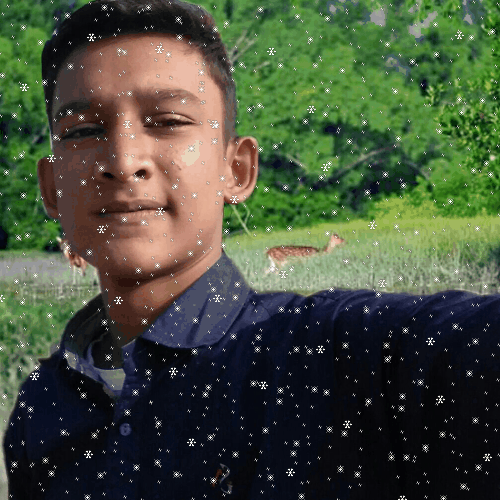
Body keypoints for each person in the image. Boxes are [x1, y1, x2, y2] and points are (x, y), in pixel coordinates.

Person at [3, 1, 499, 498]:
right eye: (83, 131)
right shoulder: (41, 406)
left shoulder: (343, 357)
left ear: (236, 170)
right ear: (51, 186)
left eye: (168, 120)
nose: (123, 159)